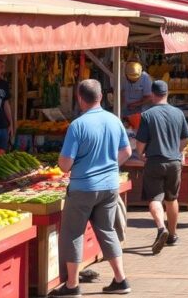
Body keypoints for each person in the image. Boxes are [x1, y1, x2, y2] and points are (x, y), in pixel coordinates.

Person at [53, 79, 132, 296]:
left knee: (72, 233)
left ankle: (72, 285)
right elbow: (127, 152)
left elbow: (65, 164)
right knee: (107, 230)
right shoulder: (114, 120)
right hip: (109, 186)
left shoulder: (77, 125)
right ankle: (121, 279)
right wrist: (108, 166)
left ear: (80, 98)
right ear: (100, 97)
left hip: (83, 188)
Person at [135, 80, 188, 256]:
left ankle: (160, 228)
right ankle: (173, 234)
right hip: (174, 162)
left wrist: (141, 154)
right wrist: (177, 151)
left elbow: (140, 143)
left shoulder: (147, 115)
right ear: (167, 93)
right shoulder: (178, 113)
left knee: (154, 199)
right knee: (172, 199)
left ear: (152, 94)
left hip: (154, 161)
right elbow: (185, 139)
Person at [120, 61, 153, 128]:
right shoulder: (122, 77)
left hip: (141, 110)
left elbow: (149, 97)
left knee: (139, 128)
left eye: (135, 80)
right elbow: (121, 92)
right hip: (127, 109)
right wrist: (120, 107)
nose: (133, 81)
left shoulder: (145, 77)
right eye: (131, 80)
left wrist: (136, 104)